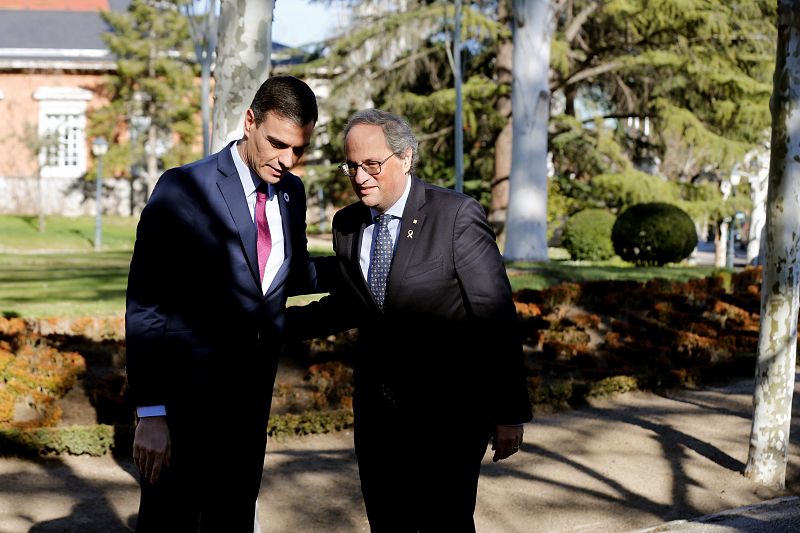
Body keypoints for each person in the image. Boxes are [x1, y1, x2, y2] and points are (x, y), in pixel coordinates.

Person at [292, 109, 532, 531]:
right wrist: (266, 324)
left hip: (449, 416)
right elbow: (355, 303)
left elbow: (494, 318)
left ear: (405, 158)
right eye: (352, 165)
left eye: (372, 164)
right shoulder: (347, 224)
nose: (360, 176)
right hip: (378, 416)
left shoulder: (455, 216)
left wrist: (509, 411)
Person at [125, 75, 330, 531]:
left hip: (249, 409)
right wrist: (152, 414)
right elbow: (145, 305)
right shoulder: (182, 188)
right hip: (181, 412)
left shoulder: (291, 193)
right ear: (250, 121)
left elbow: (287, 274)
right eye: (277, 144)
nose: (287, 160)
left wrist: (364, 268)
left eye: (299, 150)